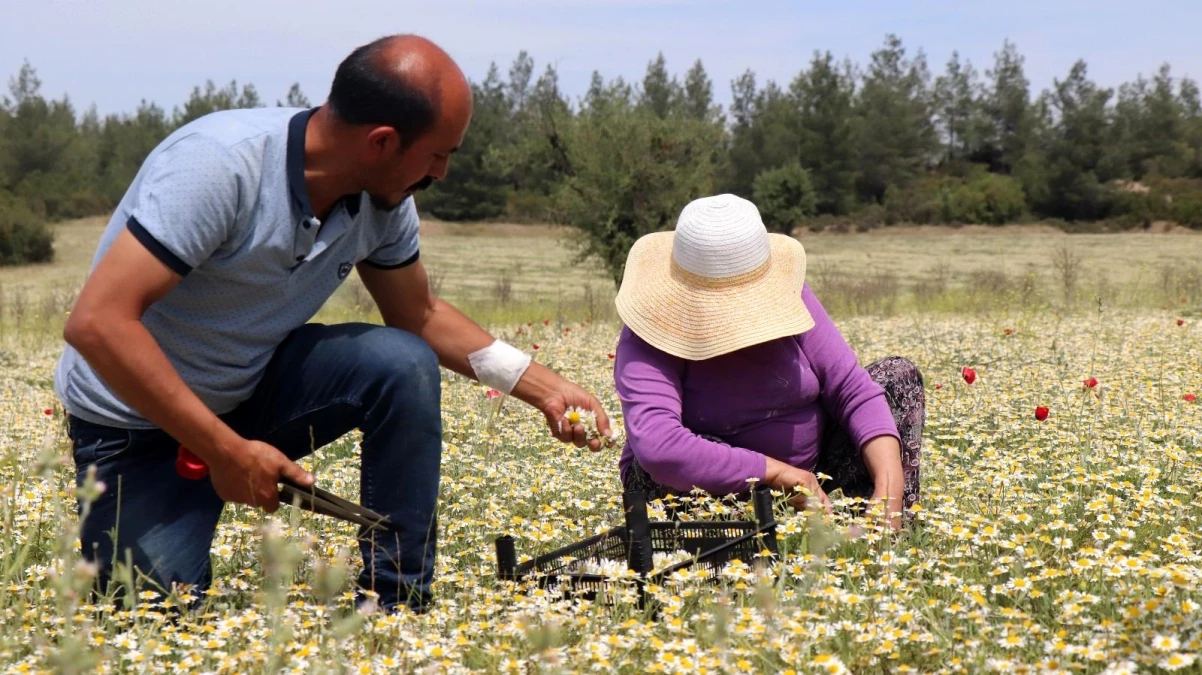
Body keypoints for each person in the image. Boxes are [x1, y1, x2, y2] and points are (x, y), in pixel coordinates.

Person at [55, 34, 612, 614]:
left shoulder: (385, 200)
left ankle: (398, 607)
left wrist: (547, 389)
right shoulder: (219, 165)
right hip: (135, 428)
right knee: (150, 619)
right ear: (382, 142)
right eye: (439, 154)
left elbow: (417, 315)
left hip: (251, 391)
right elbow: (97, 323)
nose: (443, 172)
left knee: (400, 363)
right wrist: (225, 451)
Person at [612, 194, 923, 530]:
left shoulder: (791, 294)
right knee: (681, 464)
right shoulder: (651, 326)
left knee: (897, 377)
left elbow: (852, 389)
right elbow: (661, 448)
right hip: (701, 493)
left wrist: (888, 490)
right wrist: (777, 474)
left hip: (814, 482)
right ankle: (755, 537)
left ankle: (883, 531)